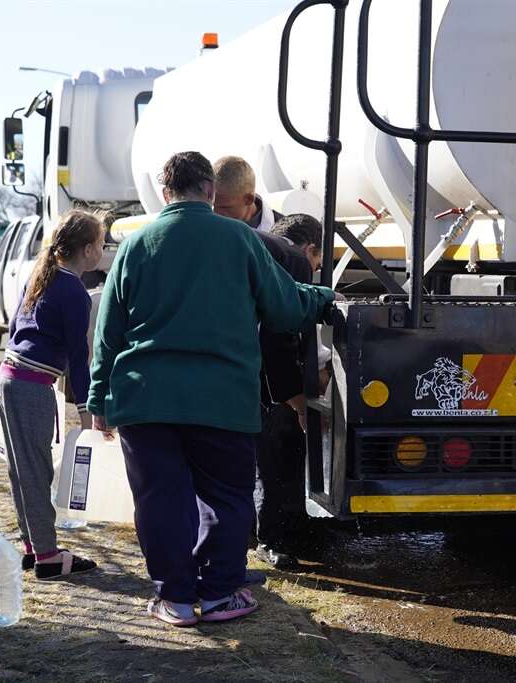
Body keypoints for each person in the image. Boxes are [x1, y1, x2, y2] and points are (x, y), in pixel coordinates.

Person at [88, 151, 335, 626]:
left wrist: (99, 398)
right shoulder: (240, 238)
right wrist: (324, 300)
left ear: (165, 194)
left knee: (160, 501)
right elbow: (285, 307)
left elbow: (108, 331)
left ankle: (175, 599)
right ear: (208, 190)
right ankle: (221, 594)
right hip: (222, 399)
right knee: (226, 498)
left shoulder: (136, 246)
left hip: (146, 399)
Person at [0, 209, 105, 580]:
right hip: (31, 384)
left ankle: (33, 544)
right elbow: (79, 354)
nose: (102, 251)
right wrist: (87, 410)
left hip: (10, 376)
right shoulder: (74, 289)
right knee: (36, 471)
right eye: (101, 244)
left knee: (22, 468)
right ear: (88, 249)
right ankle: (47, 556)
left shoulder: (41, 274)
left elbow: (13, 327)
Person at [252, 214, 330, 569]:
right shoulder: (293, 261)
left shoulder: (260, 250)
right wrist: (296, 400)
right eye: (318, 260)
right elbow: (280, 337)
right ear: (311, 248)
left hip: (243, 375)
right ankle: (271, 539)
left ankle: (267, 532)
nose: (314, 268)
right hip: (268, 387)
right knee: (274, 460)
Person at [213, 155, 281, 232]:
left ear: (249, 199)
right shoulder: (205, 229)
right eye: (212, 205)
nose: (215, 213)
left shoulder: (287, 236)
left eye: (225, 207)